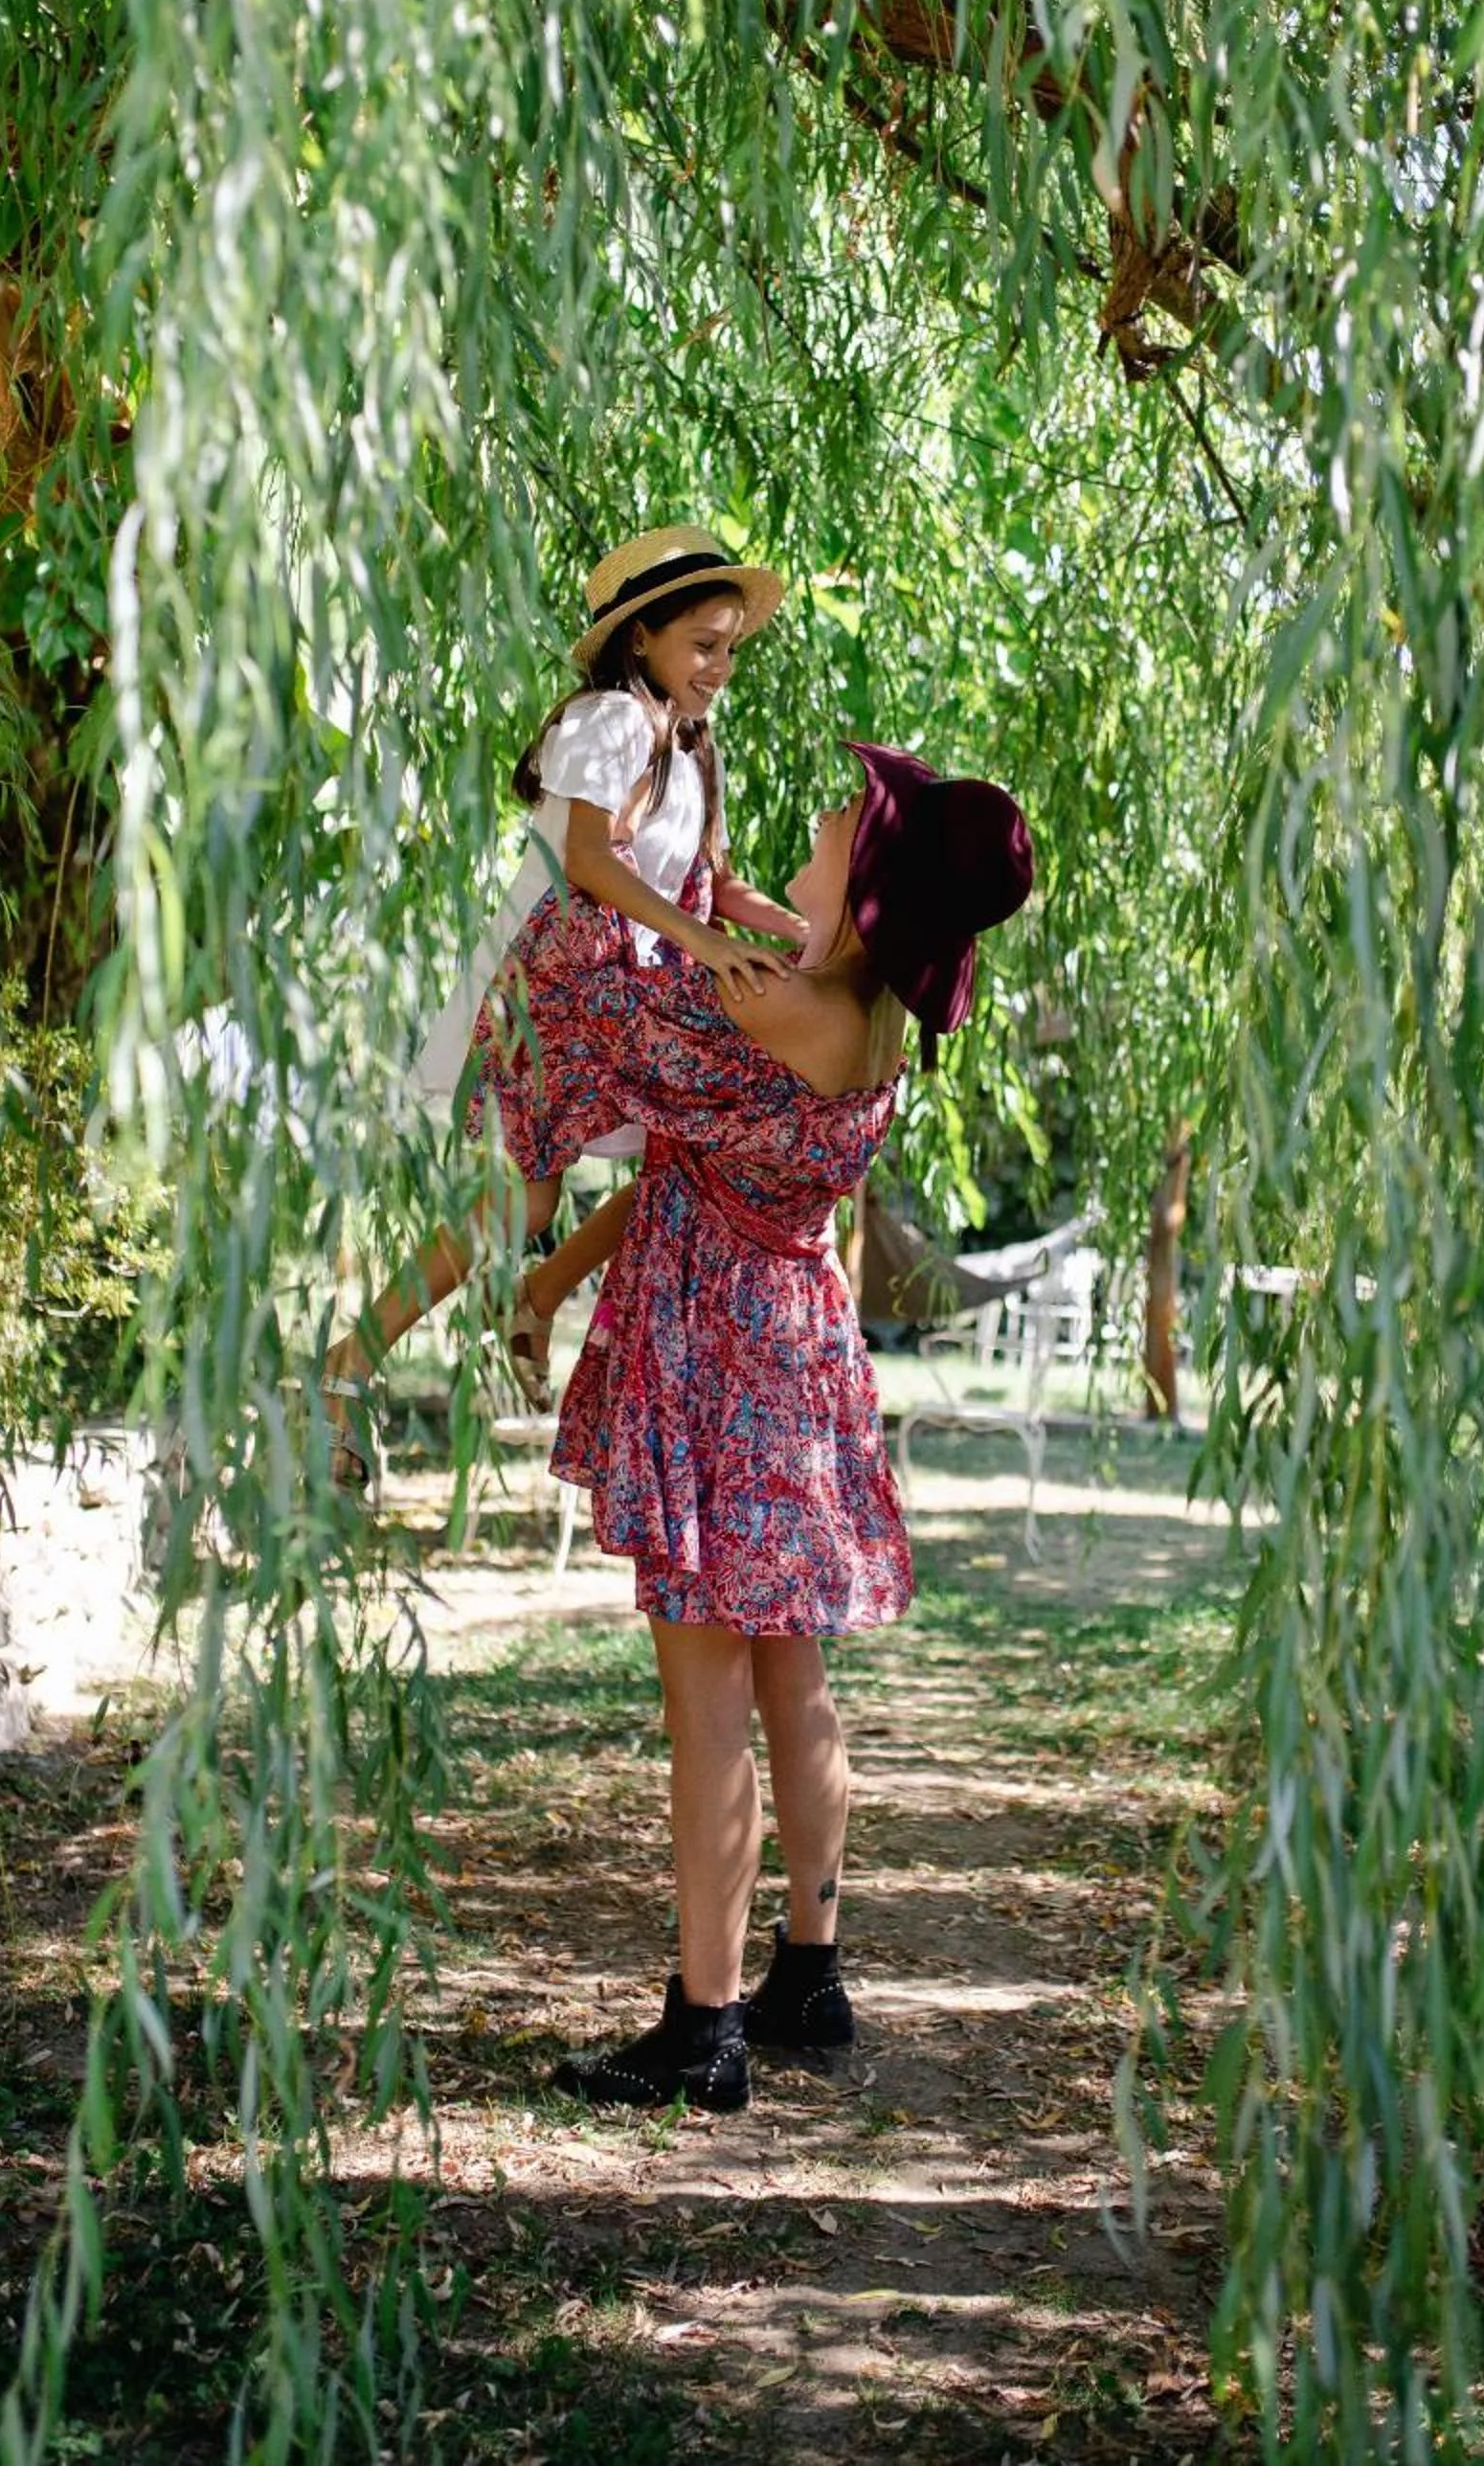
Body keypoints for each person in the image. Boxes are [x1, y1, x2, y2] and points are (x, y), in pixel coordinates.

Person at [488, 740, 1034, 2113]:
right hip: (788, 1349)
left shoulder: (777, 1010)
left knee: (707, 1698)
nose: (833, 806)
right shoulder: (858, 1015)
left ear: (870, 897)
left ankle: (706, 2026)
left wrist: (599, 859)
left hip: (718, 1357)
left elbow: (601, 1022)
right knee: (794, 1680)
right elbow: (690, 1155)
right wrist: (720, 904)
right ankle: (808, 1968)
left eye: (854, 816)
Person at [324, 526, 802, 1482]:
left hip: (634, 984)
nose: (718, 666)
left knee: (695, 1163)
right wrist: (705, 944)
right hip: (561, 982)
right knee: (537, 1194)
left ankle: (532, 1293)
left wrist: (804, 938)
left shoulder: (696, 745)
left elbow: (716, 882)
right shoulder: (612, 720)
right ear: (641, 642)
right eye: (702, 646)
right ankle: (352, 1362)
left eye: (728, 648)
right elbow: (587, 860)